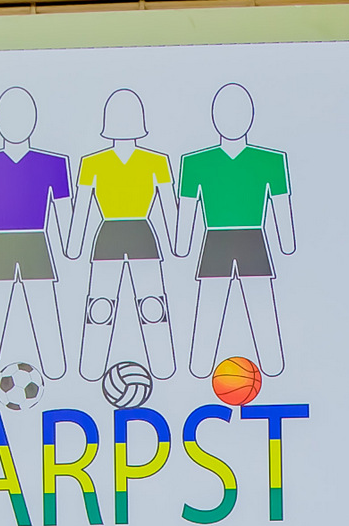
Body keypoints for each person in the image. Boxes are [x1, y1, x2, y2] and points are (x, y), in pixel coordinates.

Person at [65, 88, 183, 384]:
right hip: (109, 238)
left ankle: (163, 365)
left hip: (142, 237)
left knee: (152, 307)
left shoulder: (156, 162)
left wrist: (179, 242)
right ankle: (91, 368)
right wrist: (73, 245)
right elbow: (82, 207)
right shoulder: (93, 163)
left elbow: (169, 207)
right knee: (100, 308)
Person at [177, 83, 294, 380]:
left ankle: (272, 365)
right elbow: (187, 211)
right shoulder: (196, 163)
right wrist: (181, 245)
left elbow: (282, 208)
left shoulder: (270, 161)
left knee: (261, 307)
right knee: (210, 309)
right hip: (217, 242)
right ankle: (200, 367)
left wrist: (287, 242)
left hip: (251, 240)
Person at [0, 87, 72, 382]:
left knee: (44, 309)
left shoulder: (52, 165)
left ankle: (56, 369)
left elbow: (64, 214)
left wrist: (70, 246)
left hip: (35, 244)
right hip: (0, 246)